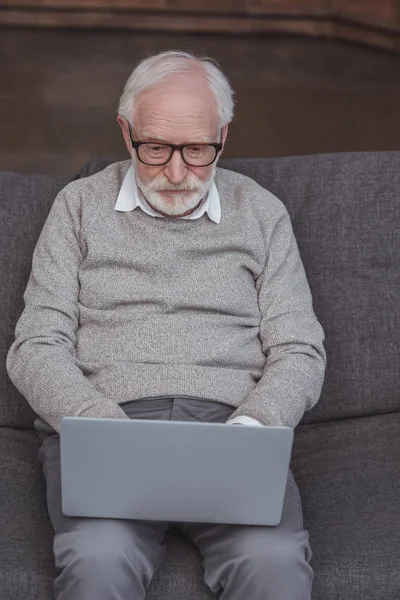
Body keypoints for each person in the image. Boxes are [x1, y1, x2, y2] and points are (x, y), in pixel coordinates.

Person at [6, 50, 326, 600]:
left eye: (199, 150)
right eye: (154, 148)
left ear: (224, 134)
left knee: (273, 563)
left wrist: (254, 428)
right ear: (125, 132)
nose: (177, 173)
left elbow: (300, 349)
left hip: (233, 431)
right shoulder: (77, 207)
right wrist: (98, 423)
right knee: (97, 561)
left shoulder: (263, 213)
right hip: (104, 423)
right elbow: (35, 345)